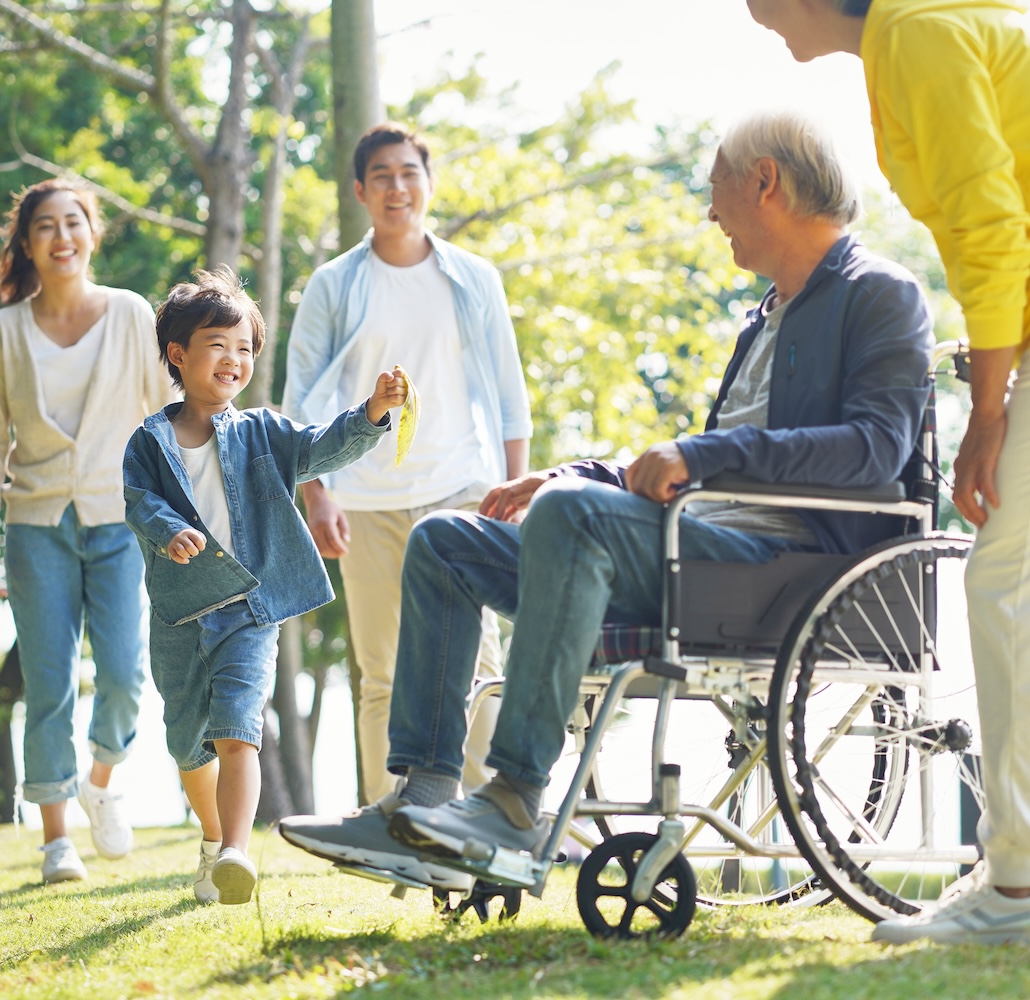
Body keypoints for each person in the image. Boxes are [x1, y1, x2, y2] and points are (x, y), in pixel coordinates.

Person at [279, 110, 934, 894]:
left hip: (783, 568)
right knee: (447, 543)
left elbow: (873, 450)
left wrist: (690, 458)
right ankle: (420, 801)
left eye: (715, 189)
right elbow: (695, 460)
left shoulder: (881, 294)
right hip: (692, 548)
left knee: (570, 519)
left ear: (765, 183)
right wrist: (573, 475)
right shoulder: (765, 315)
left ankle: (516, 798)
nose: (708, 211)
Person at [743, 0, 1030, 944]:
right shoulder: (927, 32)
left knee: (1010, 585)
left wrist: (988, 411)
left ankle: (1015, 890)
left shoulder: (918, 35)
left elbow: (989, 227)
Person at [124, 266, 406, 904]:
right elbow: (136, 500)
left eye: (246, 348)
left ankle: (235, 853)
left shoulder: (263, 430)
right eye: (219, 344)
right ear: (179, 354)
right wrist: (168, 529)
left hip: (252, 611)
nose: (234, 359)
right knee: (188, 742)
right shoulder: (148, 439)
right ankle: (211, 836)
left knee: (238, 730)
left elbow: (321, 449)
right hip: (180, 615)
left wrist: (373, 412)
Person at [282, 122, 533, 807]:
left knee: (479, 660)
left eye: (410, 173)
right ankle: (391, 817)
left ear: (428, 183)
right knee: (382, 672)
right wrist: (318, 494)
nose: (398, 188)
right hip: (364, 499)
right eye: (383, 177)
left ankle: (489, 811)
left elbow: (510, 396)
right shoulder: (334, 285)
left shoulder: (472, 278)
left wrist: (515, 487)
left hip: (460, 490)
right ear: (361, 192)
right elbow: (299, 399)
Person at [0, 179, 177, 884]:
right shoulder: (3, 332)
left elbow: (167, 417)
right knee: (48, 682)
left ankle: (101, 780)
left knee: (124, 676)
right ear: (26, 243)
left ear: (92, 233)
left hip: (120, 521)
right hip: (33, 527)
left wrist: (185, 505)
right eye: (46, 227)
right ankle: (56, 838)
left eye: (74, 223)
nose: (62, 237)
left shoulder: (130, 315)